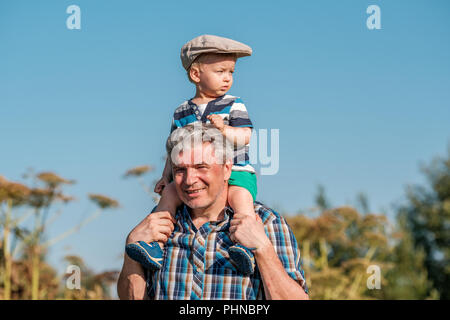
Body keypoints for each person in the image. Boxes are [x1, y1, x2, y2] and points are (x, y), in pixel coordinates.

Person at [117, 124, 309, 299]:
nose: (189, 179)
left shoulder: (266, 222)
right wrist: (131, 248)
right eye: (180, 170)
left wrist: (263, 249)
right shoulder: (158, 225)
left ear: (227, 168)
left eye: (201, 167)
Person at [125, 34, 260, 275]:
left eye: (231, 72)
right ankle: (154, 245)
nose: (228, 78)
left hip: (237, 172)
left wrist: (224, 129)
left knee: (242, 204)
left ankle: (246, 248)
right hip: (192, 176)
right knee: (167, 198)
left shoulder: (234, 104)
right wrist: (165, 176)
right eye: (221, 71)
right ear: (196, 75)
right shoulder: (181, 111)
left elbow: (245, 137)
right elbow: (173, 149)